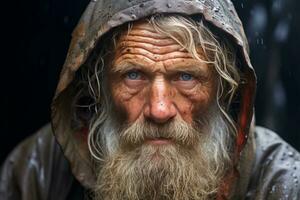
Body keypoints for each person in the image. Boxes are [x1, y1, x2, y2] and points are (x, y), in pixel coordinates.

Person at [1, 0, 300, 199]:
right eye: (133, 75)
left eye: (186, 77)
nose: (159, 109)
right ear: (98, 87)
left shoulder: (282, 182)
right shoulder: (37, 171)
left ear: (223, 90)